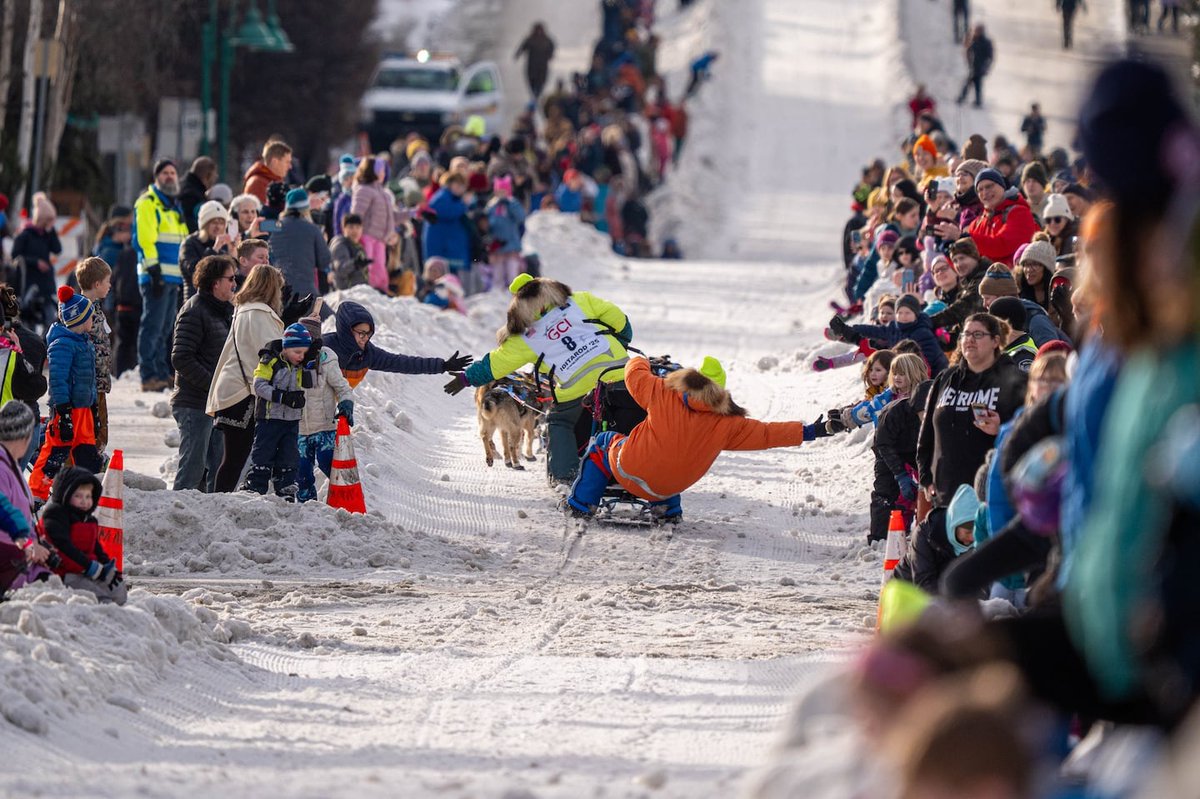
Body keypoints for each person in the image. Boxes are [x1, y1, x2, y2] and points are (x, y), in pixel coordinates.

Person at [564, 354, 829, 521]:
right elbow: (768, 433)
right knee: (674, 463)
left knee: (603, 441)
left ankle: (580, 504)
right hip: (669, 487)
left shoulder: (662, 391)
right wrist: (808, 431)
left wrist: (642, 360)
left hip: (629, 469)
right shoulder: (728, 422)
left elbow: (634, 375)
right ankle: (667, 511)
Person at [445, 274, 633, 485]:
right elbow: (619, 320)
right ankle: (641, 460)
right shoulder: (580, 300)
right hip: (621, 373)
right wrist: (621, 344)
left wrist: (465, 378)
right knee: (638, 407)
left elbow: (495, 364)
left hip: (576, 389)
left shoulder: (524, 337)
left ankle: (566, 478)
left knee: (559, 421)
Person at [916, 313, 1027, 507]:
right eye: (966, 334)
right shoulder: (946, 378)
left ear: (995, 341)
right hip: (947, 496)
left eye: (978, 335)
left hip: (993, 497)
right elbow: (926, 433)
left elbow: (1030, 433)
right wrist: (926, 476)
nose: (969, 340)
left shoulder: (1015, 380)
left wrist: (1001, 428)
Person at [206, 264, 285, 493]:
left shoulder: (246, 310)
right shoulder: (259, 314)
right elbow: (271, 353)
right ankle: (219, 503)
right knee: (235, 460)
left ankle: (220, 500)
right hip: (242, 394)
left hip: (233, 390)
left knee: (234, 459)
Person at [28, 287, 102, 503]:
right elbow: (58, 380)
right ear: (80, 319)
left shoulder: (84, 342)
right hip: (67, 409)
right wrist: (63, 410)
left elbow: (89, 380)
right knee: (55, 452)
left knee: (87, 453)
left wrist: (94, 408)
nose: (93, 320)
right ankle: (36, 494)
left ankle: (85, 493)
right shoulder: (62, 345)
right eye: (90, 316)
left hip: (84, 409)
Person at [171, 255, 235, 493]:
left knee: (218, 467)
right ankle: (176, 510)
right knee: (192, 469)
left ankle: (212, 513)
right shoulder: (195, 311)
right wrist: (213, 384)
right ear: (215, 282)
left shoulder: (223, 310)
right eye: (230, 279)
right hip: (194, 403)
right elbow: (181, 357)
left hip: (216, 403)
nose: (234, 284)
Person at [133, 157, 189, 392]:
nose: (169, 177)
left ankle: (160, 372)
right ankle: (149, 375)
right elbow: (144, 239)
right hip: (156, 275)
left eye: (173, 173)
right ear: (156, 177)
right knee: (153, 327)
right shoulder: (148, 203)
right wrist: (154, 270)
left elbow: (182, 240)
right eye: (165, 173)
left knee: (165, 329)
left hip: (172, 277)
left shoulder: (173, 206)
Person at [324, 300, 470, 388]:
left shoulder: (368, 354)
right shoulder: (326, 347)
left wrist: (443, 365)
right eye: (361, 333)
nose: (365, 338)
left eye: (368, 333)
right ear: (347, 330)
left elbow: (403, 363)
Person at [241, 323, 313, 498]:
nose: (301, 356)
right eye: (297, 352)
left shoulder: (301, 365)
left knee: (289, 454)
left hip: (291, 420)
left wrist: (309, 368)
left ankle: (285, 485)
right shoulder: (271, 361)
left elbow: (310, 384)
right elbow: (259, 385)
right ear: (285, 348)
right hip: (269, 418)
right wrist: (282, 397)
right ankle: (255, 485)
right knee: (263, 452)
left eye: (304, 352)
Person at [41, 466, 126, 605]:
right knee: (98, 597)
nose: (84, 501)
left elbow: (96, 547)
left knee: (119, 594)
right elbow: (63, 547)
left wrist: (106, 564)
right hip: (63, 572)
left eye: (88, 496)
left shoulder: (89, 519)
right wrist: (90, 567)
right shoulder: (55, 515)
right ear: (65, 494)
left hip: (87, 570)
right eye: (78, 496)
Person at [868, 355, 931, 542]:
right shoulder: (893, 408)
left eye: (902, 373)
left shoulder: (928, 399)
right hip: (887, 450)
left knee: (920, 490)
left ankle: (917, 530)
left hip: (914, 450)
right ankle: (879, 537)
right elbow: (883, 443)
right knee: (886, 491)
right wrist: (900, 474)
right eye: (895, 373)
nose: (897, 377)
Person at [295, 316, 354, 503]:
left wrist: (346, 403)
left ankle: (347, 497)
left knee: (329, 462)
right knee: (302, 472)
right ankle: (307, 506)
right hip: (300, 429)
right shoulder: (292, 359)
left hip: (324, 427)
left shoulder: (326, 359)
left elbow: (342, 387)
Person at [0, 400, 52, 594]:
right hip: (12, 560)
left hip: (21, 556)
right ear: (25, 436)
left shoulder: (10, 464)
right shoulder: (2, 469)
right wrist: (30, 545)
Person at [892, 483, 980, 591]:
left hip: (945, 591)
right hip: (906, 590)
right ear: (954, 526)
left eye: (975, 533)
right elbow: (924, 583)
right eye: (967, 533)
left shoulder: (978, 539)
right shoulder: (925, 534)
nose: (972, 538)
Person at [0, 285, 48, 472]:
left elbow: (32, 387)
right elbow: (35, 387)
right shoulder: (31, 341)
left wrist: (18, 353)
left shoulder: (14, 349)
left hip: (15, 431)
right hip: (25, 427)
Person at [92, 206, 139, 378]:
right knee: (113, 339)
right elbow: (107, 279)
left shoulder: (114, 247)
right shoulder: (110, 251)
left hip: (114, 299)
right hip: (111, 301)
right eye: (127, 227)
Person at [74, 258, 113, 455]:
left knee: (101, 430)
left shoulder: (95, 307)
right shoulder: (80, 311)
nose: (110, 285)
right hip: (88, 384)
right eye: (107, 281)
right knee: (92, 432)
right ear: (97, 284)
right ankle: (88, 466)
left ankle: (95, 463)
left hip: (98, 383)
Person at [965, 169, 1039, 266]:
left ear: (1002, 186)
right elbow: (965, 262)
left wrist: (966, 239)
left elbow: (1001, 246)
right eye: (980, 190)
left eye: (989, 186)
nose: (985, 192)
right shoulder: (976, 224)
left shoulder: (1020, 213)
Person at [268, 189, 331, 298]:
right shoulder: (312, 229)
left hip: (277, 292)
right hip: (305, 292)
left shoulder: (272, 226)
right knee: (331, 310)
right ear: (306, 209)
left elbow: (254, 231)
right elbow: (324, 261)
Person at [11, 192, 61, 329]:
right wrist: (35, 262)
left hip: (46, 286)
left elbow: (57, 249)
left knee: (50, 320)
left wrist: (52, 232)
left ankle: (47, 342)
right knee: (29, 323)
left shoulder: (47, 235)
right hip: (29, 284)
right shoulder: (25, 235)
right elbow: (15, 255)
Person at [350, 156, 397, 293]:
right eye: (381, 170)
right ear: (373, 171)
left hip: (380, 239)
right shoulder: (364, 190)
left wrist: (412, 213)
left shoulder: (383, 193)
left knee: (380, 270)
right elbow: (356, 216)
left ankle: (379, 294)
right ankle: (365, 294)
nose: (383, 173)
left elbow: (391, 216)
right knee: (367, 269)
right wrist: (354, 236)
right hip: (367, 237)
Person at [179, 200, 236, 302]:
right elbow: (194, 272)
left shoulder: (225, 246)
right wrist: (214, 249)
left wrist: (233, 253)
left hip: (219, 302)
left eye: (221, 223)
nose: (218, 227)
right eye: (214, 222)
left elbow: (232, 277)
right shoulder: (190, 243)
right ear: (205, 225)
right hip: (196, 302)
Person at [486, 176, 528, 290]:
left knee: (512, 272)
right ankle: (497, 291)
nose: (501, 194)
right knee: (497, 273)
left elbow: (521, 217)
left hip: (511, 244)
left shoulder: (513, 203)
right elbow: (487, 222)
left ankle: (514, 291)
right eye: (499, 191)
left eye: (503, 191)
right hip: (497, 245)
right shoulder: (492, 205)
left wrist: (510, 205)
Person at [328, 213, 371, 290]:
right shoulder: (340, 245)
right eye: (351, 227)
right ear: (344, 229)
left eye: (358, 227)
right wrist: (355, 264)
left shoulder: (358, 246)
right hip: (345, 292)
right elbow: (340, 269)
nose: (355, 231)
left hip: (358, 291)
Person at [242, 140, 293, 205]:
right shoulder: (257, 184)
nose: (290, 166)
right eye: (287, 162)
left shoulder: (275, 181)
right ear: (275, 162)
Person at [514, 22, 555, 100]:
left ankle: (537, 96)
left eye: (540, 30)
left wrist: (550, 55)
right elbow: (522, 47)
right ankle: (535, 95)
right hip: (532, 66)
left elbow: (552, 47)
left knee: (541, 82)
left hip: (543, 67)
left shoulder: (547, 40)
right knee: (532, 82)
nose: (539, 32)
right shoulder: (530, 40)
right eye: (537, 30)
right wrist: (517, 55)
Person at [956, 24, 993, 108]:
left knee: (974, 84)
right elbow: (967, 48)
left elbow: (990, 56)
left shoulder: (986, 42)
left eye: (977, 31)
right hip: (974, 66)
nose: (976, 32)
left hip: (980, 67)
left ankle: (967, 99)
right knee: (973, 83)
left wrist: (986, 66)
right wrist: (969, 61)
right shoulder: (974, 40)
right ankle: (974, 100)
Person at [178, 156, 218, 233]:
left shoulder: (180, 186)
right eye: (214, 176)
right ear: (208, 176)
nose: (215, 179)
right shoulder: (192, 196)